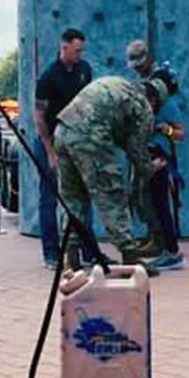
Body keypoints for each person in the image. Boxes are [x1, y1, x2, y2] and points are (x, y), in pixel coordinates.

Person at [53, 74, 166, 268]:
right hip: (89, 137)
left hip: (62, 131)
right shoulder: (143, 105)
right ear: (154, 100)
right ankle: (130, 256)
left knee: (72, 197)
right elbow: (137, 150)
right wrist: (149, 167)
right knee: (111, 194)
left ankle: (71, 259)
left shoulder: (119, 84)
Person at [34, 28, 93, 268]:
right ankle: (51, 254)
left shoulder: (84, 70)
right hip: (52, 140)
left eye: (81, 50)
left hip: (78, 141)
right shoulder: (48, 77)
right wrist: (50, 152)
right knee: (50, 198)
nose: (79, 54)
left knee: (83, 196)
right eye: (76, 50)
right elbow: (39, 116)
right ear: (64, 47)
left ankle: (88, 251)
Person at [126, 40, 185, 270]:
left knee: (161, 203)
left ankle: (171, 250)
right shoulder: (145, 91)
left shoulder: (167, 103)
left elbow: (180, 132)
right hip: (146, 153)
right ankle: (160, 243)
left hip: (161, 157)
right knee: (149, 201)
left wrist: (165, 129)